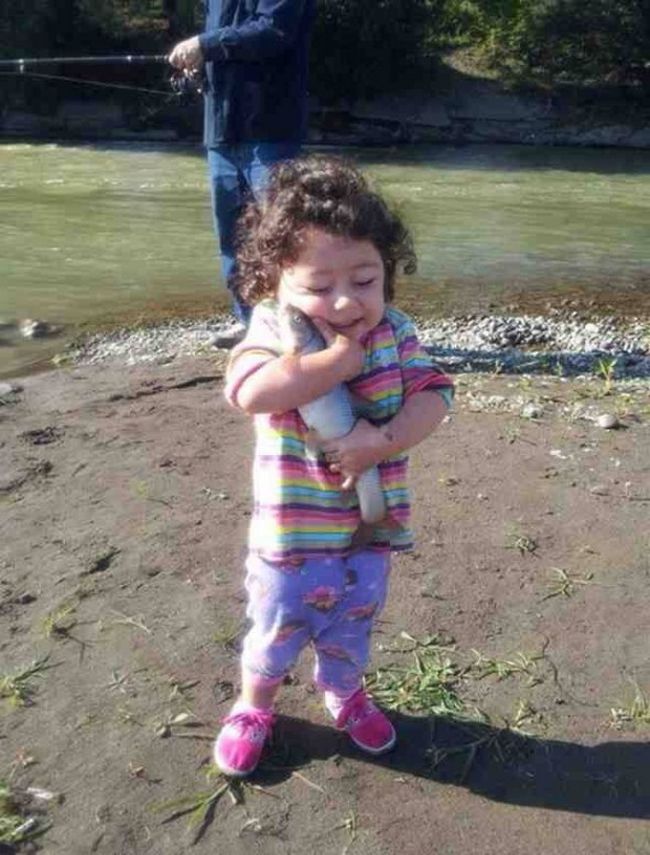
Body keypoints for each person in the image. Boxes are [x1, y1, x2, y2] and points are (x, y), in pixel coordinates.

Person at [215, 156, 455, 777]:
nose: (346, 302)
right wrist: (332, 365)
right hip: (291, 538)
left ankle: (345, 695)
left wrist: (383, 441)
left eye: (365, 279)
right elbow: (248, 391)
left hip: (366, 535)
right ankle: (253, 706)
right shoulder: (274, 328)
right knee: (274, 631)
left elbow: (436, 393)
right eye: (319, 287)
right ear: (275, 282)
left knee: (352, 628)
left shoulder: (396, 333)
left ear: (387, 275)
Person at [169, 0, 316, 342]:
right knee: (231, 236)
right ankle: (248, 321)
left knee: (280, 233)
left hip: (271, 130)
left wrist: (204, 45)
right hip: (220, 133)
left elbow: (273, 31)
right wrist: (199, 62)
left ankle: (293, 325)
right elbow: (220, 39)